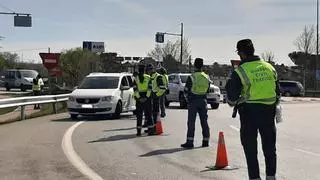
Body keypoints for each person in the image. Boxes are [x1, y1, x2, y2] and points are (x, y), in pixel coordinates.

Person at [225, 39, 280, 180]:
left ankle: (255, 178)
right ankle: (271, 177)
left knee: (250, 150)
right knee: (270, 148)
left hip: (249, 113)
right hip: (269, 112)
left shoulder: (240, 71)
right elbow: (277, 91)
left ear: (241, 54)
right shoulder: (269, 67)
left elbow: (231, 99)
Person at [181, 58, 210, 149]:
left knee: (191, 122)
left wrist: (188, 100)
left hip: (193, 100)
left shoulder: (192, 77)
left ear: (194, 65)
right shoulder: (206, 77)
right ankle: (205, 141)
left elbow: (186, 91)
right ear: (202, 65)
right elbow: (208, 90)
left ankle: (190, 142)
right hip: (203, 100)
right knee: (204, 121)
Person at [133, 64, 154, 136]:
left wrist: (139, 98)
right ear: (144, 70)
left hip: (139, 99)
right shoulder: (148, 77)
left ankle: (139, 132)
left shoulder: (136, 78)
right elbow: (150, 88)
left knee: (139, 115)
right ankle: (151, 130)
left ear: (138, 70)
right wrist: (146, 97)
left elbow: (135, 89)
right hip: (147, 98)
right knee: (149, 114)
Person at [146, 64, 167, 133]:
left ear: (152, 69)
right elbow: (149, 88)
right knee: (150, 114)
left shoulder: (158, 77)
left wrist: (157, 95)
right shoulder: (150, 77)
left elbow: (163, 88)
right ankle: (151, 128)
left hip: (155, 98)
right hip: (150, 98)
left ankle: (155, 129)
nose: (148, 72)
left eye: (149, 70)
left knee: (155, 114)